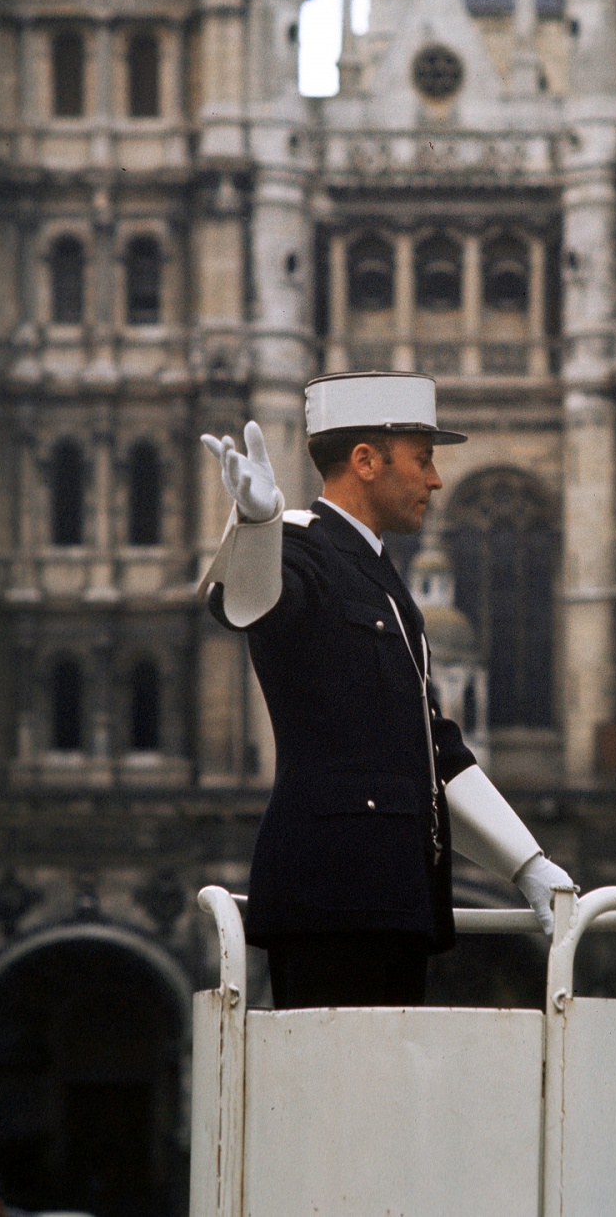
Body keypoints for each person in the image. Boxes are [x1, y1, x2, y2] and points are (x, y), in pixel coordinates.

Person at [200, 370, 575, 1009]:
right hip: (329, 896)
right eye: (423, 460)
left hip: (396, 899)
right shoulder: (301, 548)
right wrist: (257, 528)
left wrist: (526, 865)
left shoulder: (380, 575)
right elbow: (248, 606)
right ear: (366, 461)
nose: (435, 480)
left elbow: (434, 747)